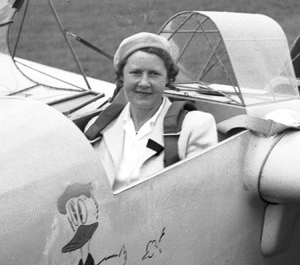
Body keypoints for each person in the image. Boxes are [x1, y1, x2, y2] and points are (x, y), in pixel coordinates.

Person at [85, 32, 218, 189]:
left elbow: (201, 192)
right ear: (122, 77)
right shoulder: (97, 127)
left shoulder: (195, 126)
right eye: (136, 73)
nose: (144, 83)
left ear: (168, 78)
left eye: (154, 74)